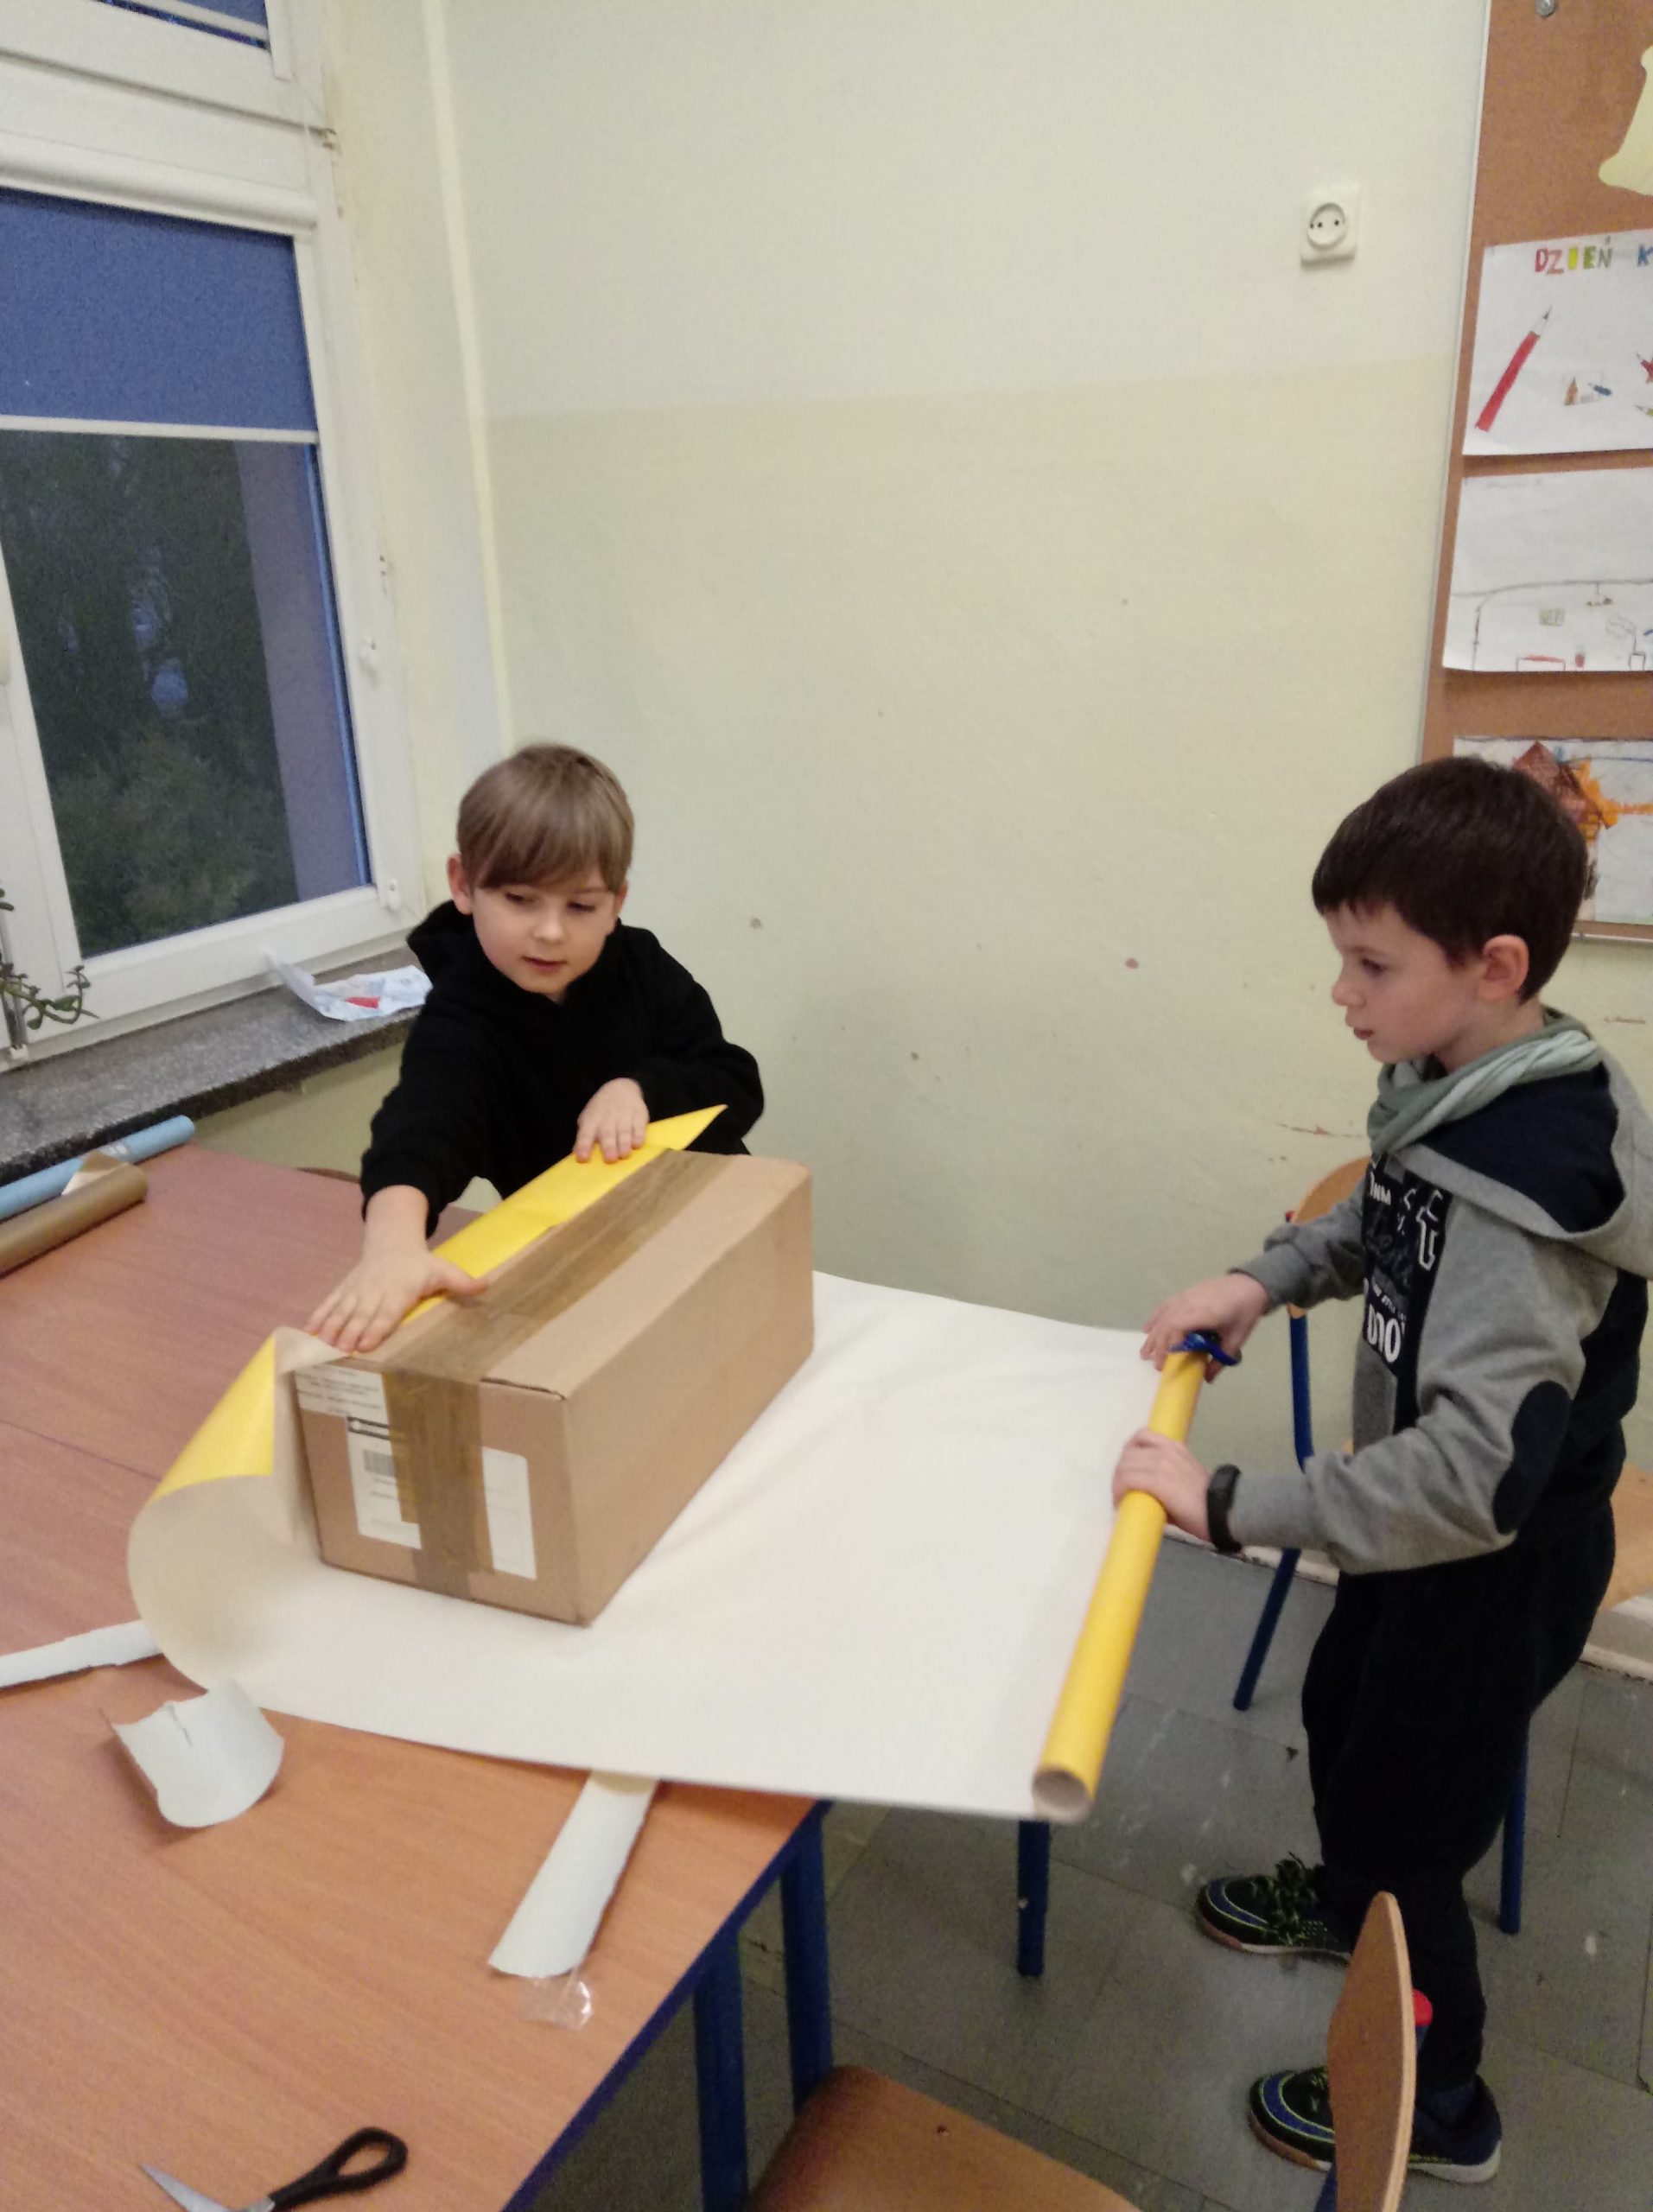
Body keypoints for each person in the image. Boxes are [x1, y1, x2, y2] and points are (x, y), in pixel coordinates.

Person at [1116, 755, 1653, 2184]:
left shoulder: (1524, 1199)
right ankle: (1345, 1902)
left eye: (1370, 964)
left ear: (1492, 966)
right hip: (1416, 1541)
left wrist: (1227, 1505)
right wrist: (1264, 1277)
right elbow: (1387, 1215)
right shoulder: (1456, 1078)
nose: (1340, 995)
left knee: (1413, 1837)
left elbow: (1467, 1480)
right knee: (1345, 1719)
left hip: (1488, 1565)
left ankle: (1444, 2099)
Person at [308, 743, 762, 1354]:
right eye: (520, 900)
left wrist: (641, 1089)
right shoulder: (461, 1018)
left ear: (616, 906)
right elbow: (420, 1132)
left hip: (714, 1237)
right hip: (585, 1272)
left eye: (581, 906)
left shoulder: (642, 966)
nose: (550, 931)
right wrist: (393, 1250)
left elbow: (736, 1082)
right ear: (464, 885)